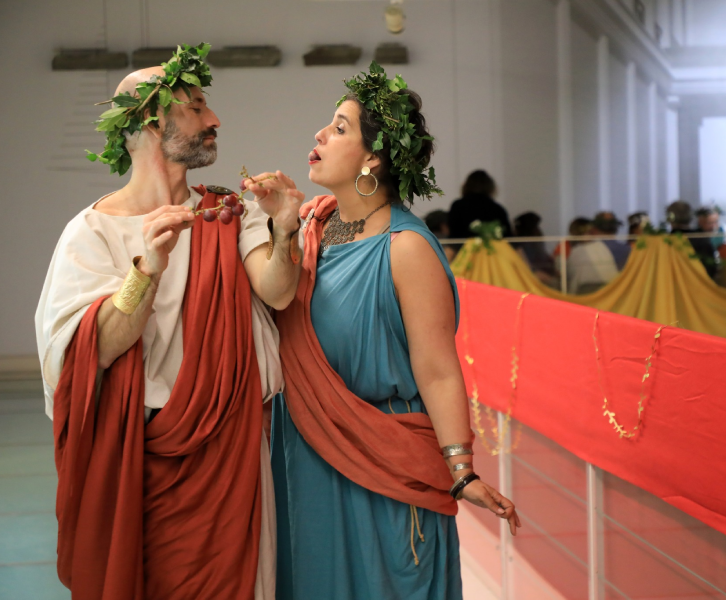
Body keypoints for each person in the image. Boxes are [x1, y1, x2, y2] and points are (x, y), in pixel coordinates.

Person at [35, 46, 303, 600]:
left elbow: (277, 292)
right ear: (154, 120)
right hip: (141, 457)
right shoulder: (92, 234)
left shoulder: (228, 210)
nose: (214, 120)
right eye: (198, 106)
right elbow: (96, 349)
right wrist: (146, 271)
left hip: (230, 450)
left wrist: (283, 229)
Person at [265, 63, 519, 600]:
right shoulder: (311, 226)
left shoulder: (406, 248)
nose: (320, 134)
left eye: (339, 128)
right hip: (307, 450)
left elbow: (437, 369)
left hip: (383, 453)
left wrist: (461, 468)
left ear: (372, 157)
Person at [447, 170, 513, 238]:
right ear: (490, 187)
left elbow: (453, 234)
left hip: (463, 248)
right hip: (492, 247)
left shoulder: (457, 206)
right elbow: (508, 237)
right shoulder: (498, 209)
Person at [666, 200, 717, 278]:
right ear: (691, 217)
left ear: (669, 218)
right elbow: (711, 270)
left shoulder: (664, 242)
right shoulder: (701, 239)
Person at [513, 211, 557, 285]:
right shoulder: (524, 242)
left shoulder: (534, 240)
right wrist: (534, 272)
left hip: (543, 272)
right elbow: (525, 262)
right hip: (533, 276)